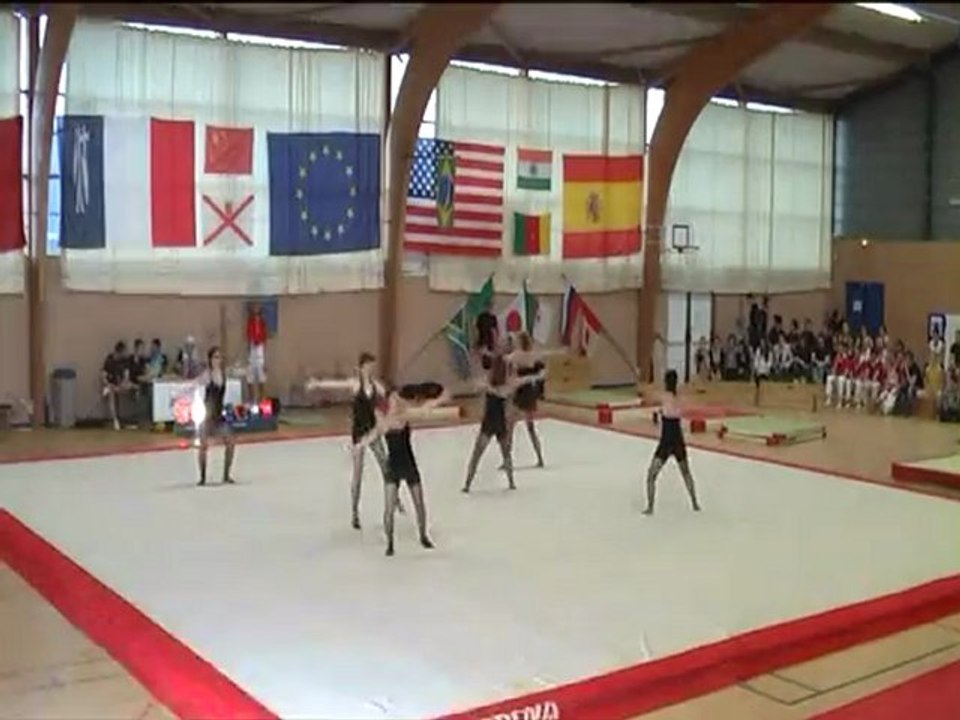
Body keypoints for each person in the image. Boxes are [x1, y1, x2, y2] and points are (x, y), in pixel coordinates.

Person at [305, 352, 404, 530]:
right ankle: (354, 512)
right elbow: (336, 385)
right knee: (357, 474)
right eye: (367, 367)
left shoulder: (376, 385)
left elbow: (390, 398)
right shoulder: (355, 384)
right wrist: (317, 384)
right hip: (358, 433)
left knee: (386, 467)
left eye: (372, 367)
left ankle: (395, 500)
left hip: (373, 431)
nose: (370, 369)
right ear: (361, 368)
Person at [355, 382, 450, 556]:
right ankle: (390, 543)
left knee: (419, 504)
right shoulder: (388, 420)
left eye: (397, 400)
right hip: (394, 466)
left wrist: (440, 399)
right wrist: (362, 443)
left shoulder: (402, 415)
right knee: (389, 508)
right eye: (394, 400)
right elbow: (375, 432)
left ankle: (423, 535)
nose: (397, 402)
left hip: (408, 463)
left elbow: (423, 409)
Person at [462, 353, 545, 494]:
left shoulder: (490, 384)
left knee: (477, 455)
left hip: (489, 424)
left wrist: (478, 383)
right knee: (505, 454)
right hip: (500, 424)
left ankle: (467, 484)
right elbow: (524, 380)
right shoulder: (507, 386)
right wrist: (538, 376)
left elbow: (477, 385)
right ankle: (511, 482)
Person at [642, 369, 701, 516]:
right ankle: (695, 503)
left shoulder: (663, 396)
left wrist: (643, 384)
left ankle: (650, 507)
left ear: (665, 382)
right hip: (678, 439)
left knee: (651, 475)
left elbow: (646, 398)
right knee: (686, 473)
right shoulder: (680, 396)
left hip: (666, 441)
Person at [195, 346, 236, 487]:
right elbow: (196, 383)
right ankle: (202, 477)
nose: (218, 360)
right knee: (203, 446)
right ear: (210, 359)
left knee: (230, 443)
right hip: (208, 416)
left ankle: (226, 475)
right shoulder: (207, 375)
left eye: (219, 357)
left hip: (218, 416)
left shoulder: (223, 375)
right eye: (215, 357)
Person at [505, 332, 546, 468]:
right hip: (530, 392)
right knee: (530, 427)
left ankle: (507, 459)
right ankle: (540, 457)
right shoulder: (534, 356)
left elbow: (505, 361)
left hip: (520, 392)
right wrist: (533, 378)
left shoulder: (516, 356)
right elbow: (542, 373)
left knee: (510, 426)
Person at [101, 341, 132, 431]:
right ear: (119, 352)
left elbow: (126, 376)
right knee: (111, 393)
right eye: (124, 351)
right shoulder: (109, 360)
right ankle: (115, 420)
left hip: (121, 385)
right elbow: (103, 376)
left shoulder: (125, 361)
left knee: (130, 386)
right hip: (111, 385)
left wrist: (122, 384)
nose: (125, 353)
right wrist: (107, 384)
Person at [247, 303, 269, 402]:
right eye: (254, 310)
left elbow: (264, 336)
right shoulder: (250, 321)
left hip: (260, 347)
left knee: (261, 375)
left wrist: (260, 342)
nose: (256, 313)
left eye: (258, 311)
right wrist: (252, 343)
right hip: (252, 346)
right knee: (250, 375)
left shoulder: (262, 323)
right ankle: (251, 397)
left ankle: (262, 398)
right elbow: (249, 334)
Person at [752, 340, 773, 406]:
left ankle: (763, 399)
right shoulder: (758, 351)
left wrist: (766, 369)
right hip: (759, 371)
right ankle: (756, 399)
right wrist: (756, 369)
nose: (762, 345)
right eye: (761, 344)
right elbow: (756, 361)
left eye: (763, 344)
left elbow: (770, 363)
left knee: (764, 384)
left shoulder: (769, 353)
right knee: (757, 384)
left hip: (765, 371)